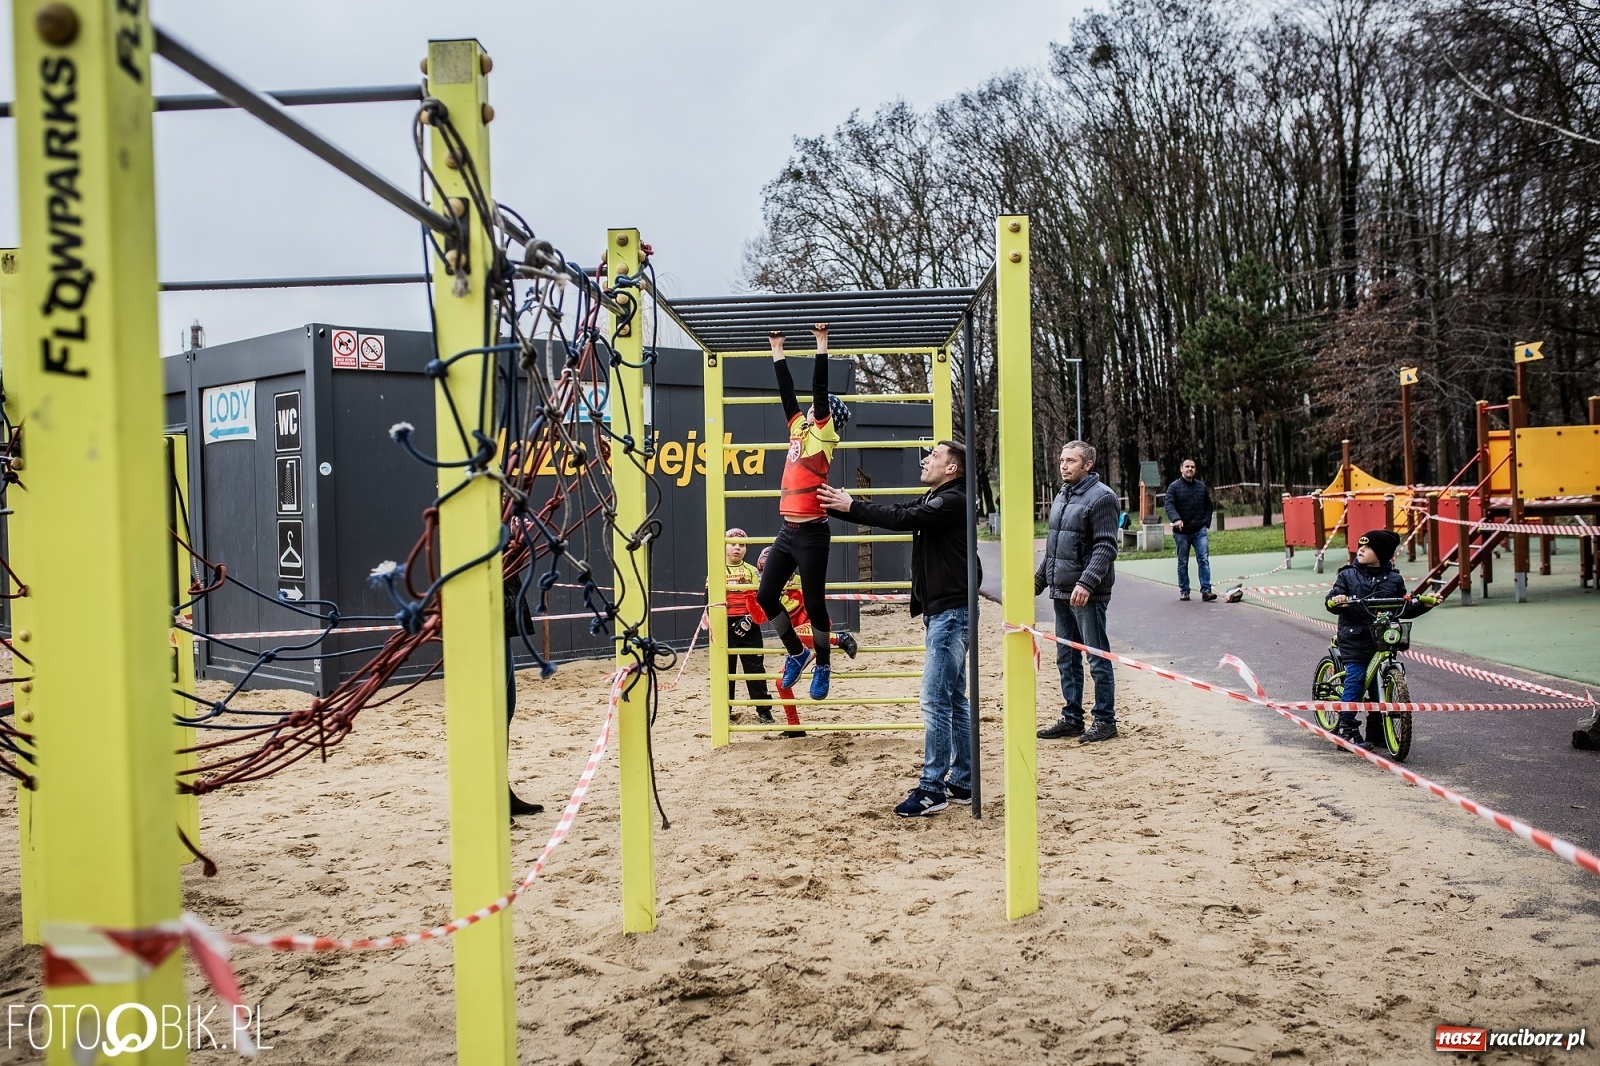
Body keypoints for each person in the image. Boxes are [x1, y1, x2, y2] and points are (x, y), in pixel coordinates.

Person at [818, 441, 978, 817]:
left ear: (952, 468)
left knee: (935, 699)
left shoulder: (953, 500)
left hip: (950, 614)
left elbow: (904, 519)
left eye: (935, 456)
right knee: (953, 698)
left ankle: (932, 788)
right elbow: (902, 511)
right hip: (945, 611)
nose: (926, 460)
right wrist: (847, 506)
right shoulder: (937, 496)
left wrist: (852, 506)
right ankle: (964, 780)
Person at [754, 324, 850, 702]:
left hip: (811, 535)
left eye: (817, 409)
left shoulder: (824, 436)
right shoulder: (799, 429)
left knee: (813, 605)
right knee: (765, 596)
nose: (810, 409)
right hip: (788, 531)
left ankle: (824, 662)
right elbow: (787, 397)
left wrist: (821, 344)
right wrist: (777, 350)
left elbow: (818, 392)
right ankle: (797, 651)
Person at [1036, 441, 1121, 744]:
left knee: (1096, 657)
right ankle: (1072, 718)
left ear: (1088, 465)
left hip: (1088, 593)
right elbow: (1056, 547)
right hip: (1061, 591)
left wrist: (1086, 582)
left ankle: (1105, 720)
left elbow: (1106, 546)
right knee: (1066, 657)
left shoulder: (1102, 498)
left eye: (1071, 461)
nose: (1063, 465)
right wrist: (1039, 581)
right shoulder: (1062, 495)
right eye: (1061, 460)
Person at [1324, 529, 1438, 749]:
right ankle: (1346, 730)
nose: (1361, 550)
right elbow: (1331, 600)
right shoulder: (1347, 575)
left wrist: (1424, 604)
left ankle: (1376, 731)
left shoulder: (1394, 579)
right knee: (1356, 680)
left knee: (1379, 686)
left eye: (1367, 548)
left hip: (1381, 639)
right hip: (1354, 639)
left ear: (1382, 554)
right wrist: (1336, 601)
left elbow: (1402, 606)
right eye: (1360, 546)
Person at [755, 546, 861, 738]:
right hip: (796, 639)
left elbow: (816, 608)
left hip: (813, 627)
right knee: (780, 683)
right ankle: (794, 726)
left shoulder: (798, 582)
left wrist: (789, 593)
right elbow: (759, 619)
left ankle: (840, 637)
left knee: (798, 635)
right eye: (767, 572)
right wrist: (751, 599)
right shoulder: (766, 589)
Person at [720, 528, 774, 726]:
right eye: (733, 544)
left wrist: (749, 619)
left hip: (749, 626)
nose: (737, 548)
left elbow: (760, 599)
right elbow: (709, 600)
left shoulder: (752, 571)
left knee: (755, 668)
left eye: (741, 545)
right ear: (725, 547)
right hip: (725, 626)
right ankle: (724, 710)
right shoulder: (716, 569)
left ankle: (764, 711)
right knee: (726, 670)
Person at [1165, 458, 1216, 602]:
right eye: (1187, 466)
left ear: (1195, 470)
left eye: (1192, 467)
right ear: (1181, 469)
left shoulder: (1201, 487)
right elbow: (1169, 505)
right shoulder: (1173, 488)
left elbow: (1209, 505)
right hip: (1181, 533)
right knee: (1183, 562)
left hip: (1199, 530)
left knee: (1203, 559)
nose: (1190, 469)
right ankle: (1185, 591)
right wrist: (1176, 519)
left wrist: (1206, 522)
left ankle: (1206, 591)